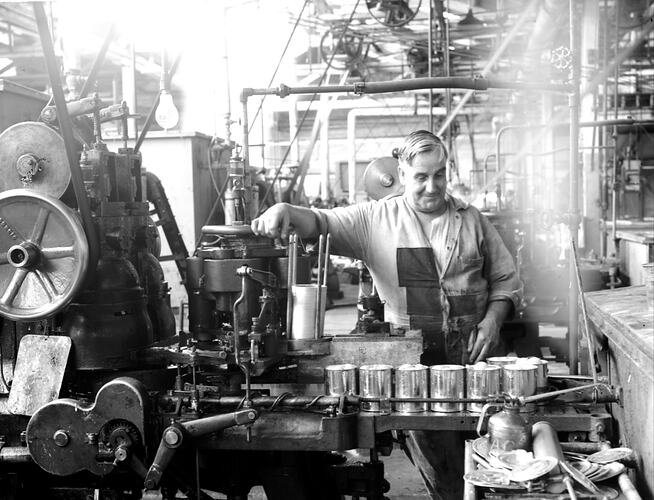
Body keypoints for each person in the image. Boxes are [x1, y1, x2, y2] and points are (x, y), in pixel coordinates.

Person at [251, 130, 523, 500]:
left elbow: (506, 279)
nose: (432, 186)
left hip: (477, 360)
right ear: (402, 174)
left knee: (497, 457)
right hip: (418, 369)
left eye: (439, 174)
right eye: (421, 177)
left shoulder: (472, 220)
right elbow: (319, 221)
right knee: (444, 469)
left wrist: (492, 320)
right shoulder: (374, 221)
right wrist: (285, 211)